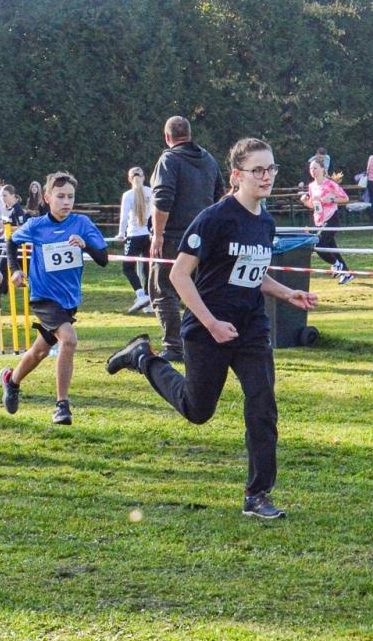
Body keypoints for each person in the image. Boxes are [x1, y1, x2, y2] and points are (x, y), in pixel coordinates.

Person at [107, 139, 314, 519]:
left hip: (251, 328)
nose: (266, 176)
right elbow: (179, 275)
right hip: (207, 328)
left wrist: (287, 293)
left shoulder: (265, 222)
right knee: (197, 410)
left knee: (263, 406)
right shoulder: (214, 218)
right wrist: (212, 323)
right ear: (236, 175)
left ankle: (257, 495)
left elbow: (253, 272)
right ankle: (143, 358)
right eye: (257, 170)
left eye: (271, 169)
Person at [0, 171, 110, 425]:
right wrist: (15, 270)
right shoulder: (37, 226)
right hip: (43, 296)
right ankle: (62, 405)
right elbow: (11, 242)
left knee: (40, 350)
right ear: (48, 198)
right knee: (68, 339)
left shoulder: (82, 224)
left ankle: (11, 380)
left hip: (68, 300)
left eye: (70, 197)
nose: (66, 202)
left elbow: (103, 259)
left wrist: (85, 245)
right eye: (60, 196)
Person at [148, 115, 227, 362]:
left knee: (163, 291)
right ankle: (205, 340)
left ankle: (173, 346)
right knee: (201, 290)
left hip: (173, 238)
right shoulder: (208, 159)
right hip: (204, 237)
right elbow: (221, 195)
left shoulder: (169, 160)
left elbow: (163, 199)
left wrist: (157, 235)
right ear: (189, 135)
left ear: (167, 137)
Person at [300, 158, 354, 284]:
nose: (313, 171)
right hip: (319, 220)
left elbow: (345, 198)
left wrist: (332, 200)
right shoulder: (311, 186)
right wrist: (305, 201)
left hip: (331, 219)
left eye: (315, 168)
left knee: (318, 246)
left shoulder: (330, 184)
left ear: (322, 169)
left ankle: (336, 264)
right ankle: (346, 273)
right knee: (332, 249)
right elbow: (313, 205)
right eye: (311, 168)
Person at [114, 166, 155, 314]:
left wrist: (121, 233)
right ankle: (148, 300)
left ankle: (141, 295)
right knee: (147, 268)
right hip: (149, 236)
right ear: (143, 177)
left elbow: (124, 217)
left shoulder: (128, 195)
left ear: (129, 179)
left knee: (128, 268)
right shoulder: (151, 192)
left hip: (134, 236)